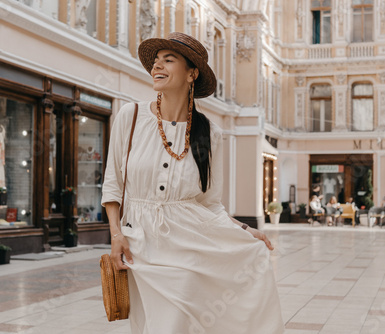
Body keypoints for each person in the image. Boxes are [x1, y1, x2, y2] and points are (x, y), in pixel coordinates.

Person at [101, 32, 284, 334]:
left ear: (191, 74)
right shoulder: (130, 116)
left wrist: (244, 230)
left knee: (174, 326)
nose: (157, 67)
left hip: (187, 245)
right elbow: (112, 183)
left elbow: (210, 203)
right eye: (156, 61)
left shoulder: (209, 133)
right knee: (148, 326)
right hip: (139, 246)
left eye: (168, 60)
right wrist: (115, 234)